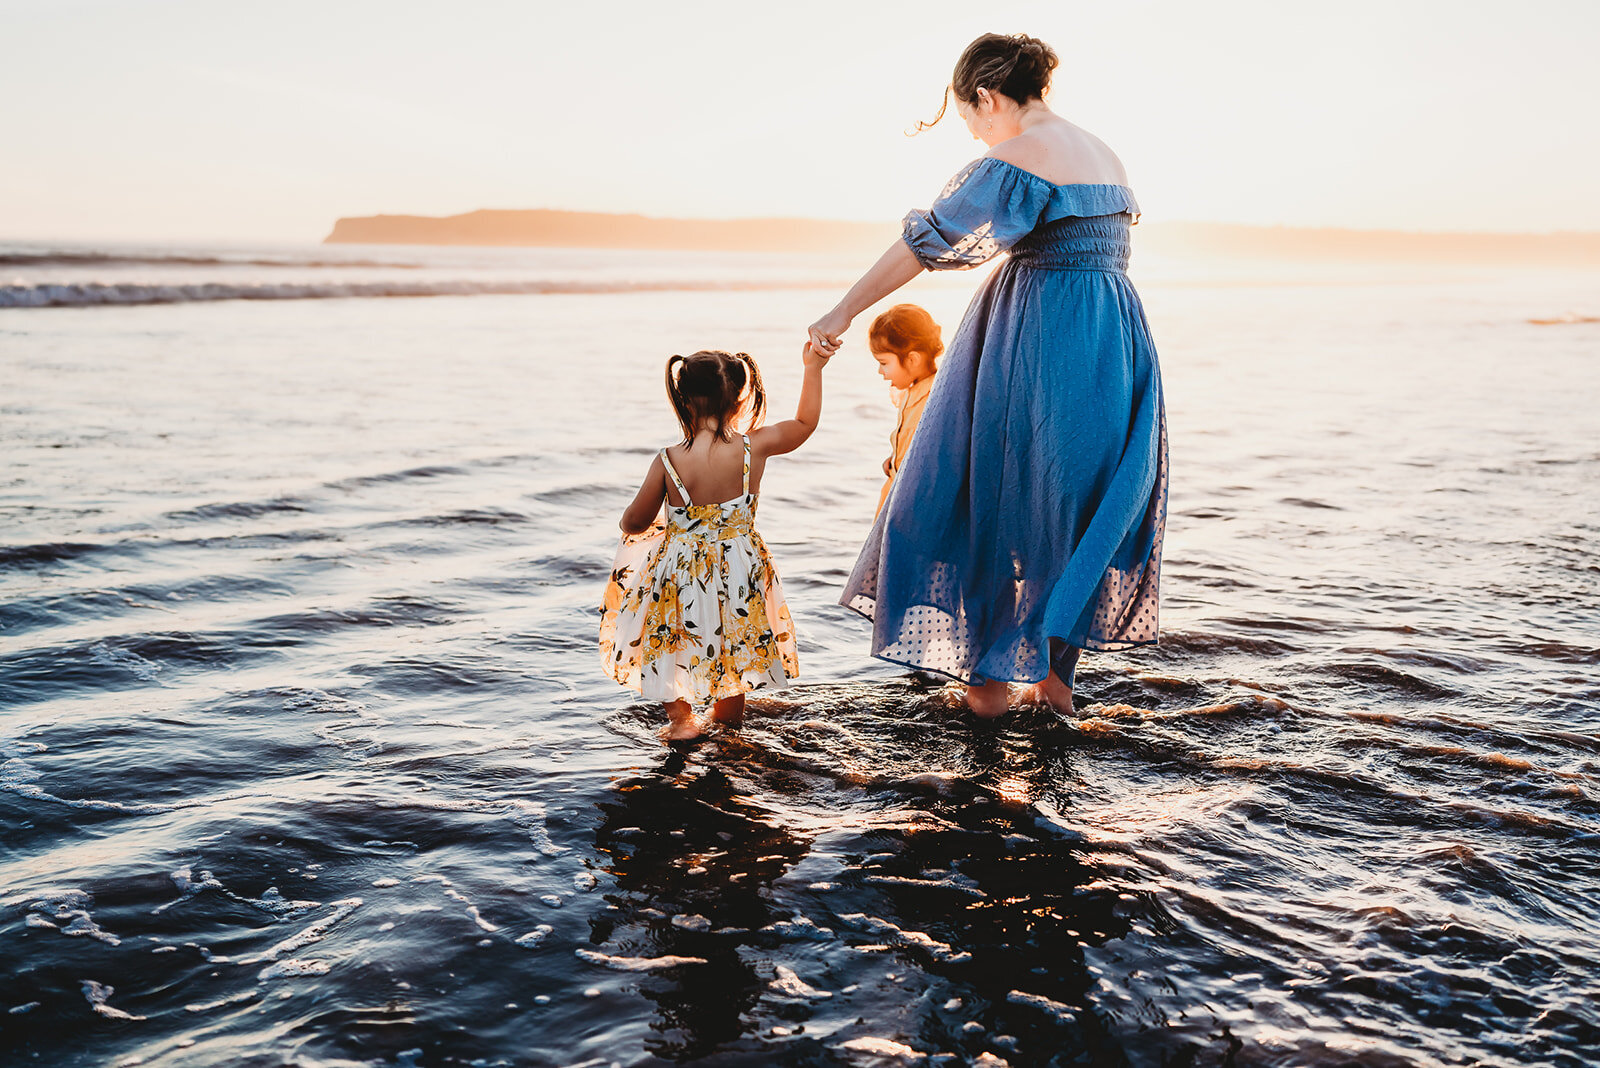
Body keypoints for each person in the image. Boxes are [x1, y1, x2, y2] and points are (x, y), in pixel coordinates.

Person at [807, 32, 1168, 720]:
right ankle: (1054, 693)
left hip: (1038, 343)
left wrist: (843, 309)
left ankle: (988, 696)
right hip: (1113, 344)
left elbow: (925, 244)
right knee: (1071, 513)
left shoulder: (1018, 156)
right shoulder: (1104, 153)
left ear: (987, 96)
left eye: (970, 119)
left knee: (981, 506)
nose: (975, 136)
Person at [599, 345, 830, 742]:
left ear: (683, 398)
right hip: (739, 567)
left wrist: (641, 521)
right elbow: (805, 423)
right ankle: (727, 727)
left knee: (668, 639)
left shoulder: (669, 460)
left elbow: (634, 522)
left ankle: (682, 720)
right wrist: (813, 367)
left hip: (680, 570)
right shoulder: (752, 447)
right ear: (740, 397)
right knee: (733, 645)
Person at [869, 304, 943, 516]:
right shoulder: (909, 392)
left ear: (912, 359)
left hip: (914, 506)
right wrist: (894, 459)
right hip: (896, 493)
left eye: (884, 363)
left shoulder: (935, 397)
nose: (880, 371)